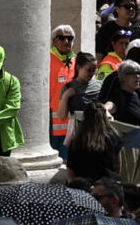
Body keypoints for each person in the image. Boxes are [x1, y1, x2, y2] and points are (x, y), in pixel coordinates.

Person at [67, 102, 121, 181]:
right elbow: (118, 165)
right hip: (106, 187)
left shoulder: (76, 141)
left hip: (82, 187)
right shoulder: (113, 138)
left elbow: (70, 172)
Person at [50, 24, 76, 159]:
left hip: (72, 123)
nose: (66, 41)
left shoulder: (77, 61)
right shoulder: (47, 60)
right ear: (54, 40)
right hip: (52, 123)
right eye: (62, 38)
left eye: (69, 38)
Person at [102, 60, 140, 126]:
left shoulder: (135, 94)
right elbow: (104, 109)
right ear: (123, 76)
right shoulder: (118, 96)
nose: (137, 76)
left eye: (139, 73)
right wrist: (107, 115)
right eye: (132, 73)